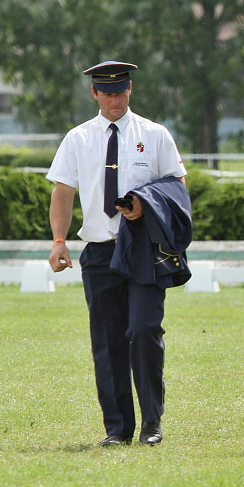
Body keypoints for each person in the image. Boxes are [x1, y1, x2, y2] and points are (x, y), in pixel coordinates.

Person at [47, 61, 188, 447]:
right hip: (99, 251)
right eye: (107, 93)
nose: (114, 99)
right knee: (108, 342)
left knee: (143, 331)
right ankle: (117, 429)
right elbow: (63, 190)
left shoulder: (155, 135)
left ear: (131, 89)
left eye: (121, 91)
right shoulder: (78, 138)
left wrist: (144, 204)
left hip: (144, 248)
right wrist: (59, 240)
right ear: (94, 94)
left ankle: (152, 424)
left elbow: (177, 187)